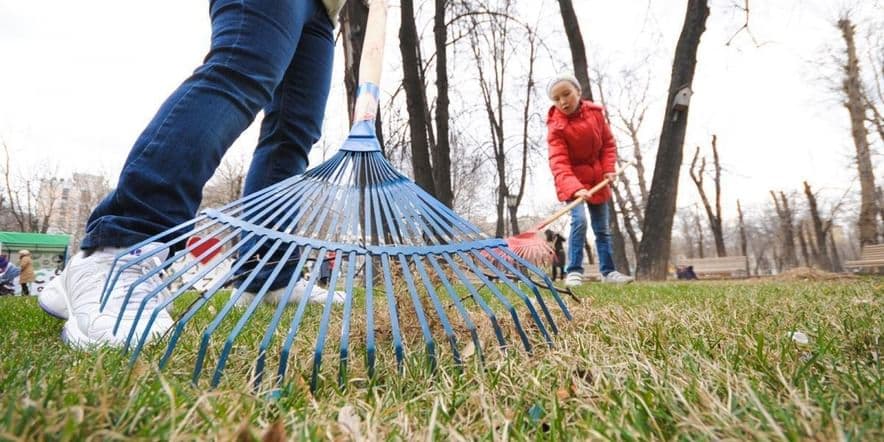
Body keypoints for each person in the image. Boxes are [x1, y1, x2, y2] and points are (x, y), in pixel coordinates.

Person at [37, 0, 349, 349]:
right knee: (240, 72)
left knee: (294, 133)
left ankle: (268, 278)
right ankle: (121, 246)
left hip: (325, 10)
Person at [546, 73, 634, 287]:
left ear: (578, 92)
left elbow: (608, 145)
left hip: (597, 179)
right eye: (556, 99)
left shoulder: (595, 114)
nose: (563, 101)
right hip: (571, 181)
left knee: (602, 228)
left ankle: (608, 272)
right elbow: (559, 161)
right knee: (579, 221)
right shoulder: (556, 127)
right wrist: (575, 188)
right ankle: (574, 271)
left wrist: (607, 169)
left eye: (567, 94)